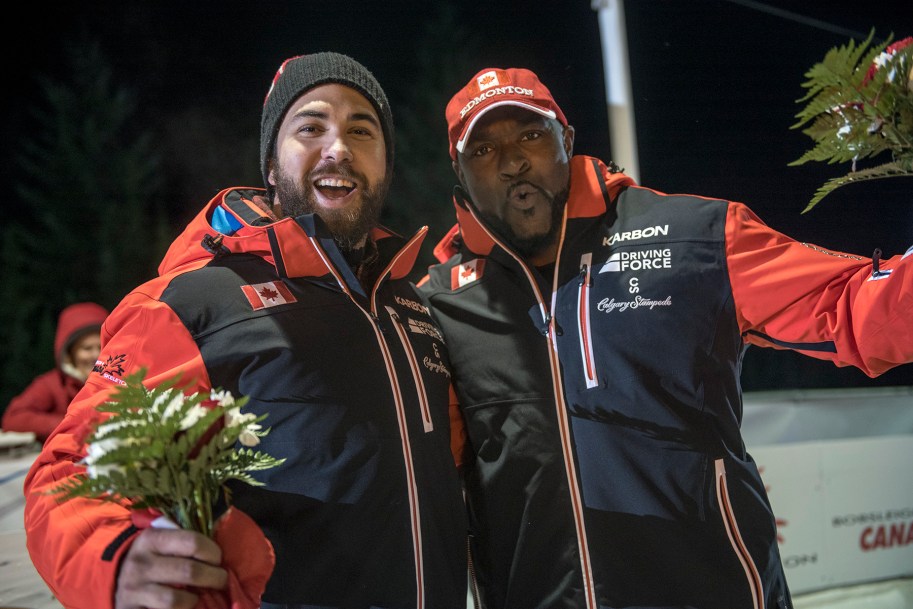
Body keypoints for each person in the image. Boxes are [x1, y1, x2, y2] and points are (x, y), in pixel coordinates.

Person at [419, 66, 913, 609]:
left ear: (567, 140)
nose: (513, 161)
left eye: (531, 135)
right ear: (460, 174)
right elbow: (416, 475)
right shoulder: (439, 304)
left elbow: (858, 310)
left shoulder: (694, 238)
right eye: (484, 149)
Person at [24, 52, 468, 609]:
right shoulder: (190, 303)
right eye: (310, 127)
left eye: (362, 130)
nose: (339, 148)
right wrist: (115, 558)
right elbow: (71, 470)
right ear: (270, 161)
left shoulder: (409, 304)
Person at [2, 302, 108, 442]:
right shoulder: (52, 384)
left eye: (102, 347)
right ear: (69, 354)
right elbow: (13, 418)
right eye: (87, 348)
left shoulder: (123, 381)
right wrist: (71, 424)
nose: (96, 355)